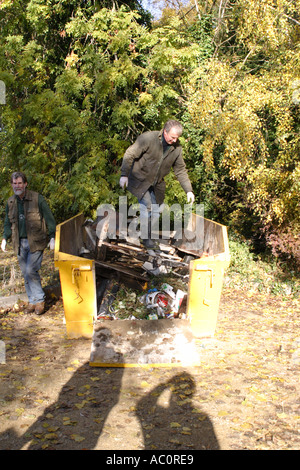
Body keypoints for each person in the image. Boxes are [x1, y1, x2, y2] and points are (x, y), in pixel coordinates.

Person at [119, 120, 195, 249]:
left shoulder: (176, 148)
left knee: (157, 210)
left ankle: (145, 233)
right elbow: (130, 153)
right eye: (172, 137)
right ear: (165, 132)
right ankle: (145, 238)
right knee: (147, 207)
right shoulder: (148, 139)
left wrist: (188, 190)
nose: (175, 140)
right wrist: (124, 175)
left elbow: (180, 170)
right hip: (140, 179)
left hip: (157, 183)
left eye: (177, 138)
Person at [1, 172, 56, 315]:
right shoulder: (11, 202)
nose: (17, 186)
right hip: (19, 243)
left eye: (19, 183)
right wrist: (4, 238)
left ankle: (39, 300)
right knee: (25, 273)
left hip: (36, 242)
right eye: (14, 183)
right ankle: (32, 301)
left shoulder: (37, 198)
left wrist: (52, 237)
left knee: (31, 270)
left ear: (25, 184)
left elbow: (49, 218)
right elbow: (7, 222)